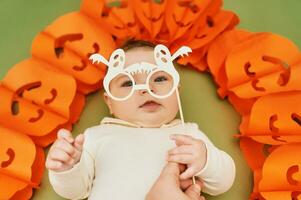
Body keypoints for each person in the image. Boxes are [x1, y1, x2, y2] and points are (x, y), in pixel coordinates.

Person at [46, 40, 236, 200]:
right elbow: (75, 191)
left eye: (159, 78)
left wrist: (206, 161)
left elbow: (223, 182)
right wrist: (68, 168)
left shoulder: (188, 135)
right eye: (128, 83)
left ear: (176, 91)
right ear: (110, 102)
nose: (146, 89)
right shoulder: (96, 137)